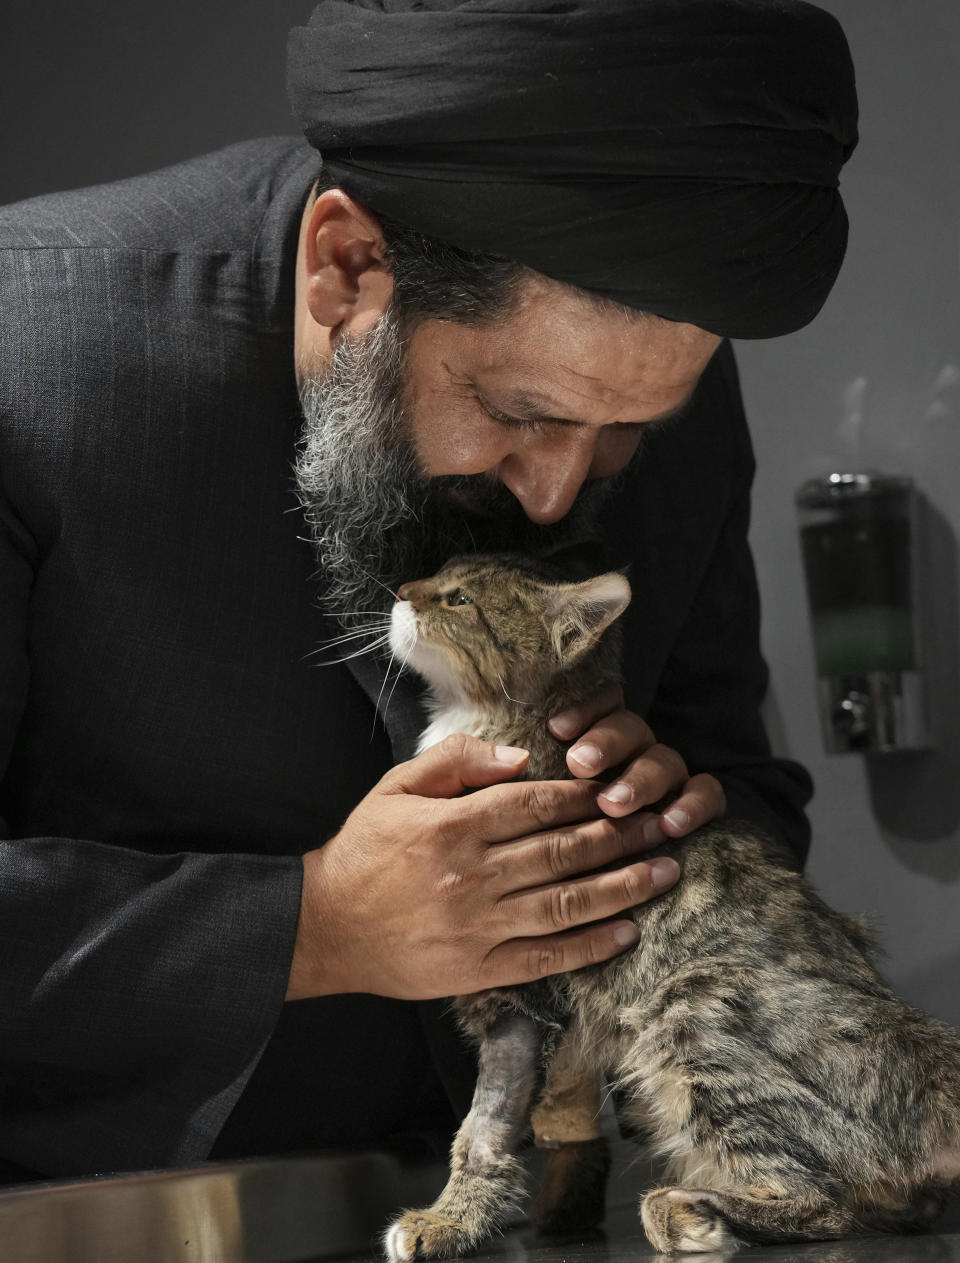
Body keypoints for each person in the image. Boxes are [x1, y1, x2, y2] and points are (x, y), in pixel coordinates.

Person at [0, 0, 857, 1183]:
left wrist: (669, 819)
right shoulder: (26, 361)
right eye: (520, 414)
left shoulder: (647, 389)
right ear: (347, 268)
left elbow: (747, 785)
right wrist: (315, 925)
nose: (559, 491)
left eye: (624, 435)